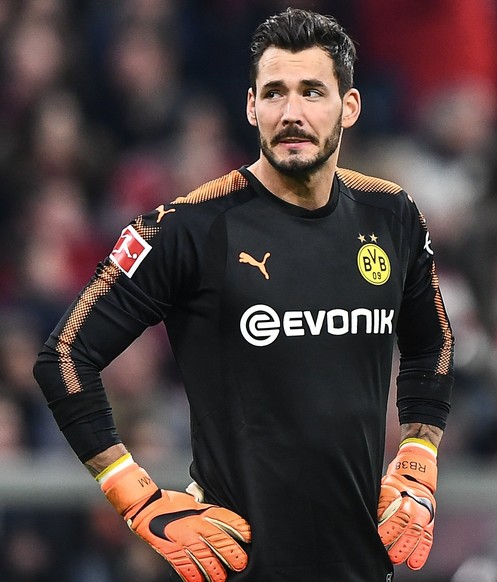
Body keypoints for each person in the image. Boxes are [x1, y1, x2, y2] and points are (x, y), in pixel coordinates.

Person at [33, 8, 454, 581]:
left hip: (361, 566)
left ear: (348, 107)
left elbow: (433, 343)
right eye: (274, 93)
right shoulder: (186, 228)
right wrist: (137, 498)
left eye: (312, 92)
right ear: (251, 106)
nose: (292, 113)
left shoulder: (392, 215)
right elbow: (63, 358)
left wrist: (418, 458)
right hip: (235, 566)